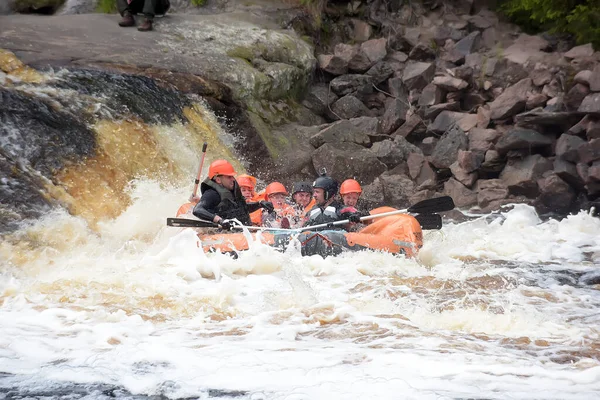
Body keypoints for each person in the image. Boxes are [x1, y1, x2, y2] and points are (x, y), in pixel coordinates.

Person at [193, 160, 273, 230]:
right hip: (226, 234)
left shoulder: (232, 190)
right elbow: (197, 210)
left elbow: (241, 209)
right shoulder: (212, 194)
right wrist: (220, 220)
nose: (233, 179)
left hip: (243, 230)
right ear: (218, 180)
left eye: (232, 176)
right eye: (229, 177)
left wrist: (259, 204)